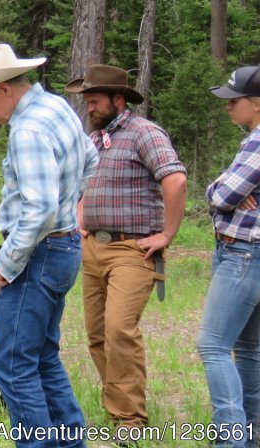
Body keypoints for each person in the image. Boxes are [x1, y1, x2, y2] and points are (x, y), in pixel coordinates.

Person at [0, 44, 98, 447]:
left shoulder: (28, 129)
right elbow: (90, 158)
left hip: (37, 255)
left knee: (13, 363)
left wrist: (5, 264)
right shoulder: (57, 107)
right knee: (42, 356)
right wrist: (71, 210)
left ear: (3, 89)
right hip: (61, 248)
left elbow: (41, 206)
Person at [65, 64, 187, 437]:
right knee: (97, 333)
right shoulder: (96, 138)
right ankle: (116, 409)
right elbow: (86, 185)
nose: (90, 108)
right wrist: (81, 219)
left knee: (120, 329)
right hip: (93, 247)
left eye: (96, 102)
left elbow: (176, 179)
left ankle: (131, 421)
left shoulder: (144, 133)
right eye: (87, 102)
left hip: (133, 250)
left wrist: (167, 233)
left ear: (119, 100)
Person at [198, 65, 260, 448]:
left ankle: (231, 440)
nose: (228, 108)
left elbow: (221, 197)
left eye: (233, 101)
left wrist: (219, 190)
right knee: (249, 348)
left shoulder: (256, 143)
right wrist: (224, 189)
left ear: (256, 104)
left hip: (243, 254)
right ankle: (250, 436)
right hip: (249, 254)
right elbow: (226, 192)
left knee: (213, 344)